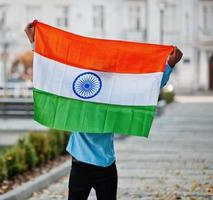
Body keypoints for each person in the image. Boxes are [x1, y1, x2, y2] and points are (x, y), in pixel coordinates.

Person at [25, 21, 183, 200]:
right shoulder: (112, 91)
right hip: (105, 165)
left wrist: (34, 42)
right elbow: (145, 88)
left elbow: (52, 72)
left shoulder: (77, 86)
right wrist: (169, 65)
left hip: (81, 166)